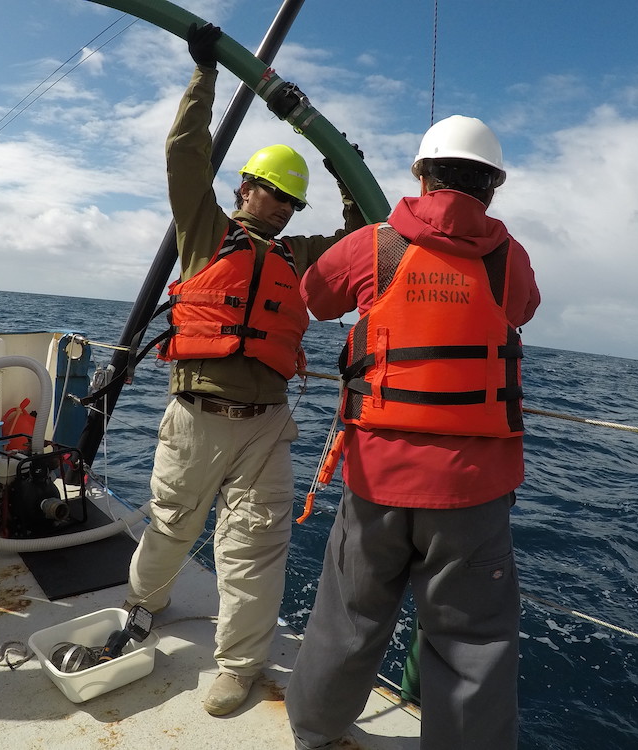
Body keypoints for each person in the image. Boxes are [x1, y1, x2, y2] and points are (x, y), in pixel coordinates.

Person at [123, 23, 365, 718]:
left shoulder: (297, 256)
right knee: (171, 525)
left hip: (267, 428)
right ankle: (143, 605)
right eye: (274, 195)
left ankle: (238, 666)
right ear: (247, 188)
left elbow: (357, 245)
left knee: (256, 553)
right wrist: (204, 76)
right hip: (196, 417)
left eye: (293, 203)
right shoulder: (204, 231)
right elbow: (183, 152)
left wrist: (350, 179)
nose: (284, 209)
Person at [285, 115, 540, 749]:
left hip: (377, 478)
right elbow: (523, 310)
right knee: (473, 645)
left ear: (422, 175)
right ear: (492, 187)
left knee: (348, 621)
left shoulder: (374, 244)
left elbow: (315, 297)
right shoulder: (510, 258)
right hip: (475, 493)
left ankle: (314, 736)